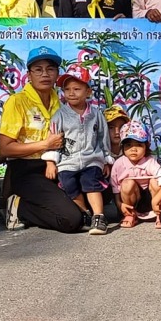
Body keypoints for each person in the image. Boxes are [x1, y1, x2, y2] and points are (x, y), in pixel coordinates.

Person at [0, 45, 84, 234]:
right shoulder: (17, 101)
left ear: (57, 74)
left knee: (97, 191)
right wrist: (45, 144)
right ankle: (19, 206)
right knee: (71, 220)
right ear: (29, 75)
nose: (45, 74)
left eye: (50, 69)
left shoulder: (60, 103)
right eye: (38, 69)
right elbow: (5, 148)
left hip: (58, 166)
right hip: (27, 169)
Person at [45, 64, 112, 234]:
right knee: (68, 185)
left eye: (76, 89)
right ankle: (85, 213)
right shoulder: (59, 115)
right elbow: (53, 140)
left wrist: (106, 159)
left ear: (88, 92)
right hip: (67, 161)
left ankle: (99, 217)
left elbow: (103, 138)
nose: (71, 93)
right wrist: (51, 162)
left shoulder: (96, 114)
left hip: (92, 159)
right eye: (67, 89)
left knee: (91, 183)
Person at [110, 122, 161, 227]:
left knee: (155, 181)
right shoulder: (119, 164)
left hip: (152, 202)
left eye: (139, 145)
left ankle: (159, 215)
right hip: (131, 202)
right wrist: (120, 204)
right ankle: (130, 215)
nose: (133, 149)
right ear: (122, 147)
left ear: (146, 146)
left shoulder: (150, 162)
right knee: (127, 183)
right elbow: (115, 188)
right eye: (128, 145)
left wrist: (156, 200)